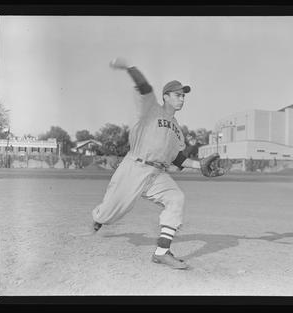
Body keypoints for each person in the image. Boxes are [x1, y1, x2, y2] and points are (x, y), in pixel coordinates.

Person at [91, 57, 223, 270]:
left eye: (183, 96)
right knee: (110, 214)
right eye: (178, 95)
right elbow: (144, 87)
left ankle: (162, 252)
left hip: (156, 174)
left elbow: (176, 157)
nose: (182, 99)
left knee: (176, 198)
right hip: (134, 167)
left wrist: (199, 165)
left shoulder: (177, 129)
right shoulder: (151, 109)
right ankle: (99, 217)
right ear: (166, 97)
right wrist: (128, 67)